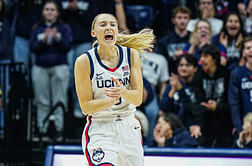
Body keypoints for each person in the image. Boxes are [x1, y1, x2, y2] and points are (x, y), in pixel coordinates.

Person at [74, 13, 154, 165]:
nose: (108, 28)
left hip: (129, 127)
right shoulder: (84, 61)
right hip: (101, 127)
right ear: (93, 33)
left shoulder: (131, 55)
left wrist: (123, 92)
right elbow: (85, 107)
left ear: (117, 31)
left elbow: (137, 99)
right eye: (103, 25)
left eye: (112, 25)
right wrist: (110, 101)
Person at [30, 0, 72, 140]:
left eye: (52, 9)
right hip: (40, 67)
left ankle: (59, 130)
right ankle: (43, 129)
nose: (49, 12)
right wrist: (44, 39)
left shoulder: (64, 28)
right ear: (42, 12)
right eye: (47, 9)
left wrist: (56, 38)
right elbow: (33, 48)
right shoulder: (37, 28)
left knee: (59, 100)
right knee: (41, 100)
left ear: (58, 12)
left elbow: (67, 46)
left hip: (59, 66)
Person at [190, 44, 233, 147]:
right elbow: (196, 102)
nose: (202, 60)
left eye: (206, 56)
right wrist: (198, 124)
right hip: (205, 123)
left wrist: (218, 107)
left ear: (214, 58)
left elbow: (232, 101)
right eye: (201, 56)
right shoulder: (198, 76)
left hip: (225, 123)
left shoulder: (227, 74)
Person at [160, 54, 198, 130]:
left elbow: (193, 109)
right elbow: (163, 107)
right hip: (173, 127)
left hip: (193, 126)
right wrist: (173, 90)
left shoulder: (198, 85)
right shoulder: (173, 84)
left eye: (188, 65)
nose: (184, 68)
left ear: (195, 68)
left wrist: (180, 90)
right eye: (181, 65)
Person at [155, 6, 191, 74]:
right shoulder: (164, 41)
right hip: (170, 74)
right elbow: (159, 62)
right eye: (179, 18)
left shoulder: (193, 39)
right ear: (173, 20)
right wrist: (173, 58)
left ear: (189, 20)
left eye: (185, 18)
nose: (182, 21)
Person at [228, 36, 252, 136]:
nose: (251, 50)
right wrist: (239, 128)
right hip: (245, 125)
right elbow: (234, 104)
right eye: (248, 48)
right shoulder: (237, 73)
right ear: (243, 53)